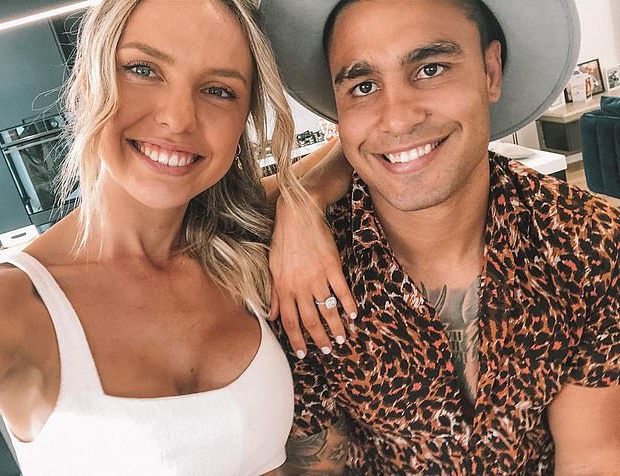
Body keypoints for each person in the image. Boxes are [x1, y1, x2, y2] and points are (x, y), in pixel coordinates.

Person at [0, 0, 355, 474]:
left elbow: (360, 144)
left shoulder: (234, 236)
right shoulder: (10, 306)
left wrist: (303, 203)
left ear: (242, 122)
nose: (179, 118)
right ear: (87, 83)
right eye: (143, 69)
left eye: (218, 91)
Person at [260, 0, 620, 474]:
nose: (398, 118)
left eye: (430, 69)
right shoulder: (299, 276)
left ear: (491, 72)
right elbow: (318, 464)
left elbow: (591, 456)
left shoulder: (586, 241)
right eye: (364, 86)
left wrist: (304, 196)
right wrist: (299, 199)